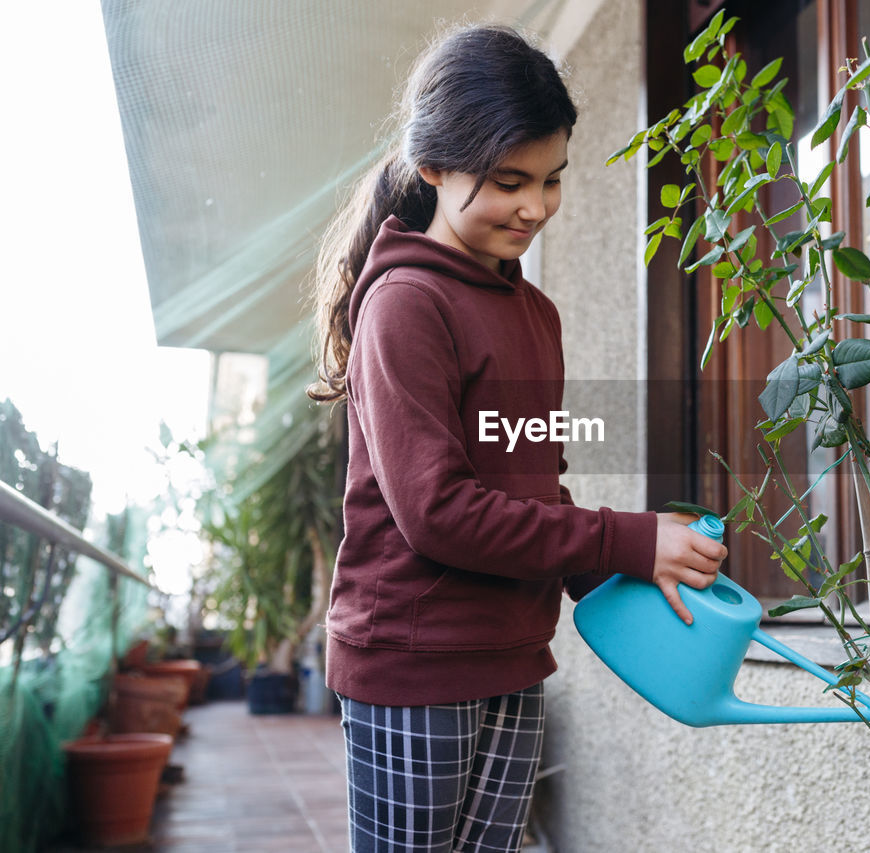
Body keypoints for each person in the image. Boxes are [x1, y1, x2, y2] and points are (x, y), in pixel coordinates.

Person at [307, 24, 728, 853]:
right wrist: (627, 539)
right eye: (508, 182)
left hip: (513, 652)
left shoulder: (535, 314)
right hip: (411, 662)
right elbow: (439, 511)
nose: (535, 206)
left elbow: (535, 484)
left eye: (551, 179)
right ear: (432, 168)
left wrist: (623, 575)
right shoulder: (405, 306)